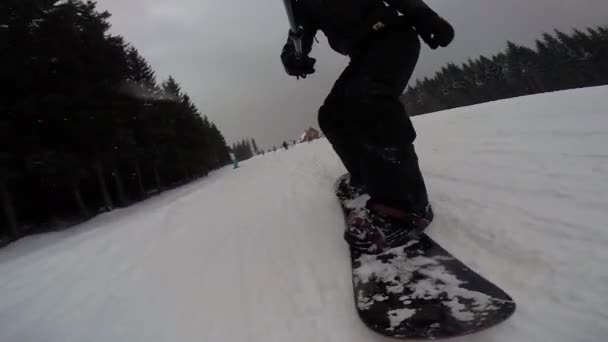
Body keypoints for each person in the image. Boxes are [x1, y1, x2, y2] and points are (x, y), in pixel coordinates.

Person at [280, 0, 454, 253]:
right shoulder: (301, 3)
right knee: (332, 114)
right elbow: (299, 35)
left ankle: (408, 207)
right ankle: (364, 176)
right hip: (362, 54)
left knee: (370, 101)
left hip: (393, 38)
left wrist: (425, 16)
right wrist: (292, 57)